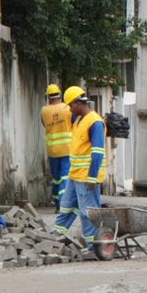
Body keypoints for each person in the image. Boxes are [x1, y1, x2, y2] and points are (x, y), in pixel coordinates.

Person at [55, 87, 107, 245]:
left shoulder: (95, 122)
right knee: (66, 207)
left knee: (88, 213)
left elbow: (97, 152)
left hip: (87, 176)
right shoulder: (78, 121)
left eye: (71, 105)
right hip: (75, 174)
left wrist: (92, 177)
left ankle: (94, 246)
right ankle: (53, 239)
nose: (70, 109)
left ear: (78, 103)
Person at [40, 83, 72, 205]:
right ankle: (62, 203)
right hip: (66, 148)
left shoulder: (44, 111)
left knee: (56, 178)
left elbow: (44, 124)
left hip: (52, 149)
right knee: (65, 176)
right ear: (60, 95)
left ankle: (56, 199)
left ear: (48, 97)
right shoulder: (67, 108)